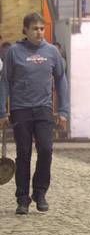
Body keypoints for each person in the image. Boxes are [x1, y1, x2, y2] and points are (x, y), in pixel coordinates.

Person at [0, 13, 68, 215]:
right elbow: (4, 81)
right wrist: (2, 110)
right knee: (23, 154)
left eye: (42, 28)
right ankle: (22, 198)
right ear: (25, 30)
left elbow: (61, 80)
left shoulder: (52, 52)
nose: (39, 32)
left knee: (46, 150)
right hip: (20, 110)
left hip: (43, 109)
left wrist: (63, 111)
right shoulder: (14, 52)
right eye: (35, 29)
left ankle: (40, 192)